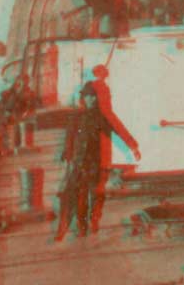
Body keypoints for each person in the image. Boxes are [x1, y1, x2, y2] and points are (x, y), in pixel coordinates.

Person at [56, 78, 141, 242]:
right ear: (83, 98)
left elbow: (119, 129)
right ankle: (82, 227)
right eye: (88, 96)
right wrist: (67, 155)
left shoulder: (102, 116)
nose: (92, 99)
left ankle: (94, 219)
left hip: (96, 163)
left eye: (94, 96)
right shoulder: (75, 117)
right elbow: (69, 138)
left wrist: (133, 146)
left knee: (96, 194)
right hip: (79, 162)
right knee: (79, 196)